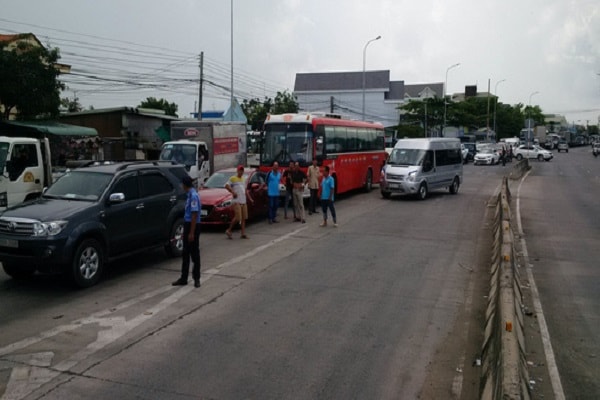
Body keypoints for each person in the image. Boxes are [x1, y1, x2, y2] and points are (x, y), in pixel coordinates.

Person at [172, 175, 202, 288]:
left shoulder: (193, 196)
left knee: (194, 253)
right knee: (185, 253)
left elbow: (194, 215)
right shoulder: (189, 195)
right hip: (188, 224)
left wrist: (191, 233)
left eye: (182, 184)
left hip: (192, 225)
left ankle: (197, 278)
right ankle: (183, 278)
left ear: (185, 185)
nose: (181, 186)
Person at [225, 165, 253, 239]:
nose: (241, 172)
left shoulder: (243, 179)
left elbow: (245, 190)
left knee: (244, 218)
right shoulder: (233, 178)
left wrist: (250, 199)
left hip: (243, 200)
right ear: (237, 171)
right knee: (238, 217)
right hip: (236, 201)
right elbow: (227, 185)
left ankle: (243, 233)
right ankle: (229, 230)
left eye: (242, 170)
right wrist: (233, 192)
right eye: (240, 170)